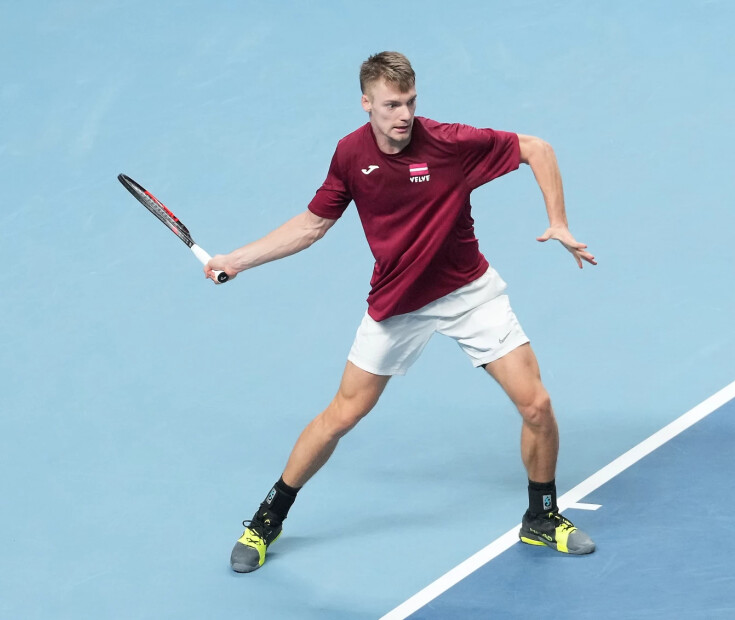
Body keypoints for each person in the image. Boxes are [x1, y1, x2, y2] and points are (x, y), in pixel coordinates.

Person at [206, 51, 598, 573]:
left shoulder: (449, 143)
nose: (404, 114)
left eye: (410, 101)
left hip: (468, 290)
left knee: (537, 406)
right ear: (366, 103)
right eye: (392, 104)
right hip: (398, 302)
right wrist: (238, 260)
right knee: (342, 415)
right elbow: (312, 225)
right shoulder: (350, 155)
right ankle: (267, 519)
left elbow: (536, 149)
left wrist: (559, 221)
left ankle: (542, 517)